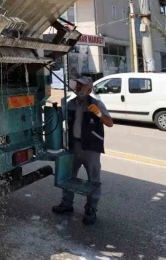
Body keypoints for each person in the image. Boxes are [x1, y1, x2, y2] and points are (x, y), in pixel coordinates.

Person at [52, 76, 114, 225]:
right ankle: (67, 204)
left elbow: (110, 123)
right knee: (68, 176)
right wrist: (57, 110)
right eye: (78, 85)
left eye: (84, 86)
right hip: (74, 146)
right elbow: (58, 119)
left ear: (90, 89)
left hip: (91, 148)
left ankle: (91, 209)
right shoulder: (71, 103)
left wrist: (99, 114)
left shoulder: (96, 103)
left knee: (93, 179)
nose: (80, 88)